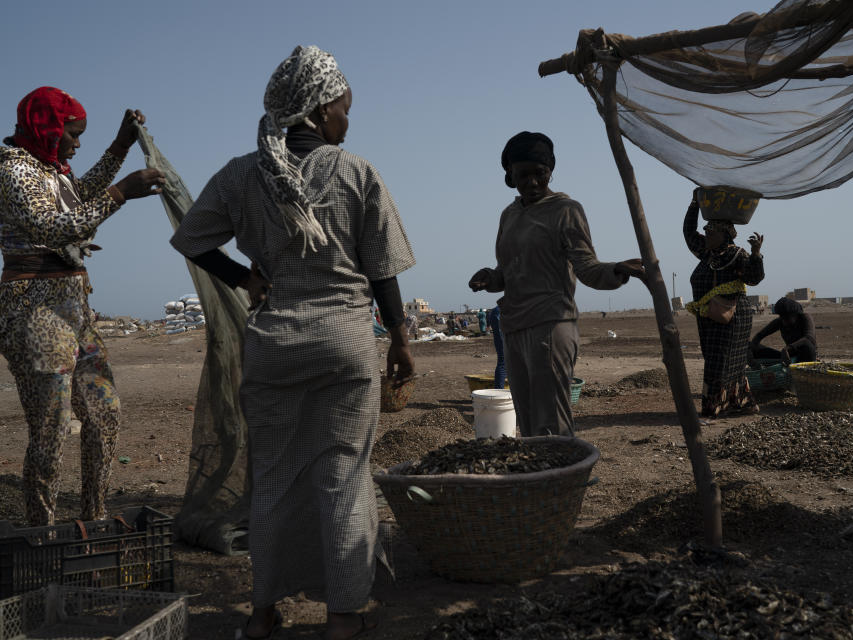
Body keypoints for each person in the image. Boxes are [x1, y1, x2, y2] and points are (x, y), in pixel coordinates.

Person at [169, 47, 415, 640]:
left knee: (272, 479)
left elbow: (191, 240)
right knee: (344, 474)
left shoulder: (238, 174)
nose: (348, 121)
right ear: (320, 109)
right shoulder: (356, 171)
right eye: (344, 109)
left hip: (273, 345)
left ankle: (260, 615)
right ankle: (344, 614)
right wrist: (402, 339)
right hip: (343, 344)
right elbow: (382, 270)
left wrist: (246, 278)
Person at [0, 87, 164, 526]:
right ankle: (43, 532)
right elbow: (51, 226)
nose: (76, 143)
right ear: (47, 129)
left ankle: (93, 520)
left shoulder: (51, 169)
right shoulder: (14, 170)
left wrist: (121, 145)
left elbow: (82, 192)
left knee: (104, 413)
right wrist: (122, 193)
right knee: (52, 430)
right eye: (72, 134)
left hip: (74, 311)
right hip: (34, 311)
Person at [469, 131, 645, 437]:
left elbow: (587, 268)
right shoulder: (508, 215)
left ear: (551, 171)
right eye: (524, 175)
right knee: (526, 421)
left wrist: (616, 270)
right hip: (514, 327)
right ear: (510, 175)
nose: (533, 182)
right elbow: (508, 271)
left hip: (550, 325)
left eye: (541, 174)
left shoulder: (566, 211)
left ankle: (563, 482)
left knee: (552, 422)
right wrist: (490, 277)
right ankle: (538, 482)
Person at [683, 188, 765, 417]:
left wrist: (756, 254)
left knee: (724, 361)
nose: (706, 233)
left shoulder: (736, 255)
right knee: (715, 358)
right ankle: (736, 403)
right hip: (710, 316)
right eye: (706, 229)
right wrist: (694, 204)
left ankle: (716, 406)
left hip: (733, 317)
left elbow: (754, 278)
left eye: (711, 230)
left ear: (724, 234)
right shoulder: (707, 253)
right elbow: (689, 232)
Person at [750, 297, 817, 363]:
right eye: (781, 317)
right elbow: (760, 335)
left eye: (787, 317)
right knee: (750, 345)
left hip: (806, 356)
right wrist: (752, 349)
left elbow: (809, 338)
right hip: (789, 357)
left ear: (795, 314)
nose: (784, 321)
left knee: (807, 345)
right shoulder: (780, 321)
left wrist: (788, 348)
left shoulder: (805, 318)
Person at [486, 305, 507, 389]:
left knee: (503, 360)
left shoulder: (495, 311)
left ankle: (499, 390)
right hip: (507, 312)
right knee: (504, 361)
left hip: (501, 311)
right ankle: (499, 391)